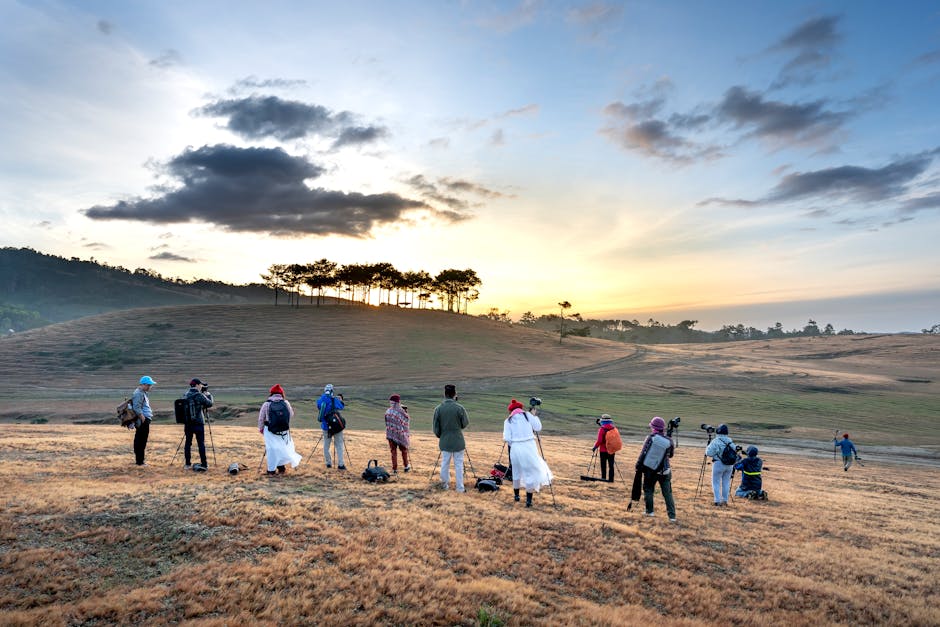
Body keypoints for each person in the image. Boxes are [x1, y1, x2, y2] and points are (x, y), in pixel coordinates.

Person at [503, 399, 553, 507]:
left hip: (515, 448)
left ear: (511, 410)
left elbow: (507, 438)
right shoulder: (527, 415)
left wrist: (515, 444)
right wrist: (534, 415)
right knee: (529, 473)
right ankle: (528, 501)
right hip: (529, 446)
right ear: (520, 408)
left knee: (515, 472)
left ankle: (516, 496)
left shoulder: (508, 421)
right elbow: (538, 427)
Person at [635, 416, 677, 522]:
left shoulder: (650, 438)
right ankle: (672, 516)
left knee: (648, 489)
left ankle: (650, 511)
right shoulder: (669, 441)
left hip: (651, 470)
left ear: (653, 427)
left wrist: (638, 466)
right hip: (665, 471)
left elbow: (643, 453)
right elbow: (671, 455)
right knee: (667, 493)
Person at [258, 384, 302, 475]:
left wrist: (261, 429)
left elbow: (261, 418)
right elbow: (291, 414)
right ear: (281, 394)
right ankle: (281, 467)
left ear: (271, 393)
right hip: (283, 430)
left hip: (270, 429)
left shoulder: (267, 404)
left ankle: (271, 470)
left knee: (271, 450)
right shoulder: (286, 403)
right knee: (282, 448)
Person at [432, 384, 469, 492]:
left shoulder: (438, 409)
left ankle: (444, 485)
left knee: (445, 463)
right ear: (454, 394)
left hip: (445, 440)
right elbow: (465, 423)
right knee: (458, 465)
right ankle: (460, 488)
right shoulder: (460, 408)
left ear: (445, 394)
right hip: (458, 440)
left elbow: (436, 428)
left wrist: (441, 435)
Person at [182, 378, 213, 470]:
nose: (201, 387)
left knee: (188, 443)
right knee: (201, 444)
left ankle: (187, 464)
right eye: (200, 385)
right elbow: (210, 403)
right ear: (197, 385)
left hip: (188, 423)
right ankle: (204, 463)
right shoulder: (199, 395)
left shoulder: (185, 395)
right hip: (198, 423)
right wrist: (208, 395)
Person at [705, 424, 736, 506]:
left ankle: (717, 500)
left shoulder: (716, 441)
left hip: (718, 463)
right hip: (729, 465)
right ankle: (725, 500)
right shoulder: (730, 441)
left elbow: (709, 453)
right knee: (726, 482)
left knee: (716, 482)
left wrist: (708, 447)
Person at [317, 384, 346, 469]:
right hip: (336, 427)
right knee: (339, 445)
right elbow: (341, 406)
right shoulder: (334, 400)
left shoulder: (321, 399)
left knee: (326, 446)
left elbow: (318, 406)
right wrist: (340, 400)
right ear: (332, 391)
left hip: (326, 427)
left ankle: (328, 463)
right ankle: (341, 464)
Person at [131, 375, 156, 466]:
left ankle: (139, 460)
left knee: (140, 439)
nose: (150, 387)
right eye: (149, 385)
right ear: (144, 384)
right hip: (142, 420)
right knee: (141, 440)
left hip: (144, 419)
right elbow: (137, 407)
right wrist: (142, 418)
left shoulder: (142, 393)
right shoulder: (139, 393)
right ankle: (140, 461)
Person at [385, 394, 411, 473]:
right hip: (400, 434)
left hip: (390, 434)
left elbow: (386, 422)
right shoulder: (401, 411)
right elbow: (406, 420)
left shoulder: (388, 411)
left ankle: (395, 469)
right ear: (398, 402)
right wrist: (405, 412)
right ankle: (406, 466)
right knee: (404, 450)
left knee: (393, 451)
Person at [592, 414, 617, 482]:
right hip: (611, 450)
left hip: (603, 450)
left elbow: (599, 441)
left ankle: (603, 478)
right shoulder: (614, 429)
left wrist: (595, 447)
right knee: (611, 465)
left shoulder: (602, 429)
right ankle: (611, 480)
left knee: (603, 465)